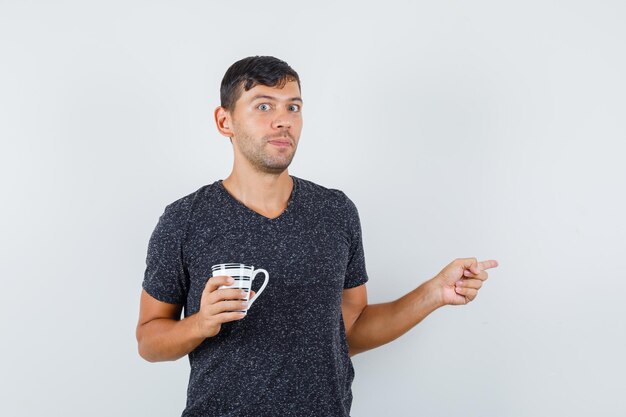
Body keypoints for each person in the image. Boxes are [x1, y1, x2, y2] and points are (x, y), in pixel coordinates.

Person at [136, 55, 499, 417]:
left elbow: (350, 331)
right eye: (263, 106)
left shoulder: (335, 212)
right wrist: (200, 323)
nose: (283, 121)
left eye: (293, 107)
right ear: (224, 121)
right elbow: (149, 341)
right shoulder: (185, 219)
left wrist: (433, 292)